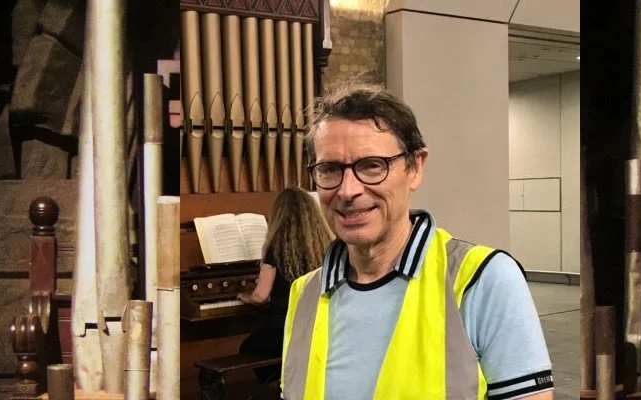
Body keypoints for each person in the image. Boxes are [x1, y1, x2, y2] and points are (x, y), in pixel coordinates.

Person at [280, 85, 554, 400]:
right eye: (329, 169)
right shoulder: (304, 294)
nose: (348, 190)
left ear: (415, 167)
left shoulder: (481, 280)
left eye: (372, 165)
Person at [236, 186, 334, 383]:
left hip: (285, 329)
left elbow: (260, 296)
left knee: (247, 347)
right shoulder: (325, 245)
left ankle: (281, 383)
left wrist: (244, 296)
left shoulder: (276, 247)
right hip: (316, 328)